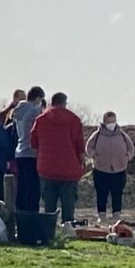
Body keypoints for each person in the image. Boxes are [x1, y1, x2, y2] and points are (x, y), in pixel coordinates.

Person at [30, 91, 86, 226]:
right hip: (69, 168)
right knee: (68, 203)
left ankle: (49, 228)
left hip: (47, 168)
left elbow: (33, 143)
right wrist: (81, 164)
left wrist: (40, 159)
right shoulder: (74, 120)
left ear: (51, 102)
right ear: (64, 103)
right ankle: (67, 226)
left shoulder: (41, 120)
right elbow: (80, 146)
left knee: (49, 204)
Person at [85, 111, 135, 226]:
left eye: (113, 121)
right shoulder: (97, 134)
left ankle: (116, 215)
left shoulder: (121, 134)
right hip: (101, 169)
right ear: (104, 122)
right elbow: (88, 147)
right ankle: (101, 215)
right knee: (101, 193)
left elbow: (131, 148)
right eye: (109, 121)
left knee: (117, 193)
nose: (111, 124)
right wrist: (94, 155)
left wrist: (127, 156)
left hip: (119, 169)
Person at [9, 86, 45, 212]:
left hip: (20, 151)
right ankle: (31, 213)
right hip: (32, 151)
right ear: (38, 98)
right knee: (33, 186)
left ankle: (20, 211)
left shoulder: (18, 110)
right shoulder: (34, 111)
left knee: (22, 185)